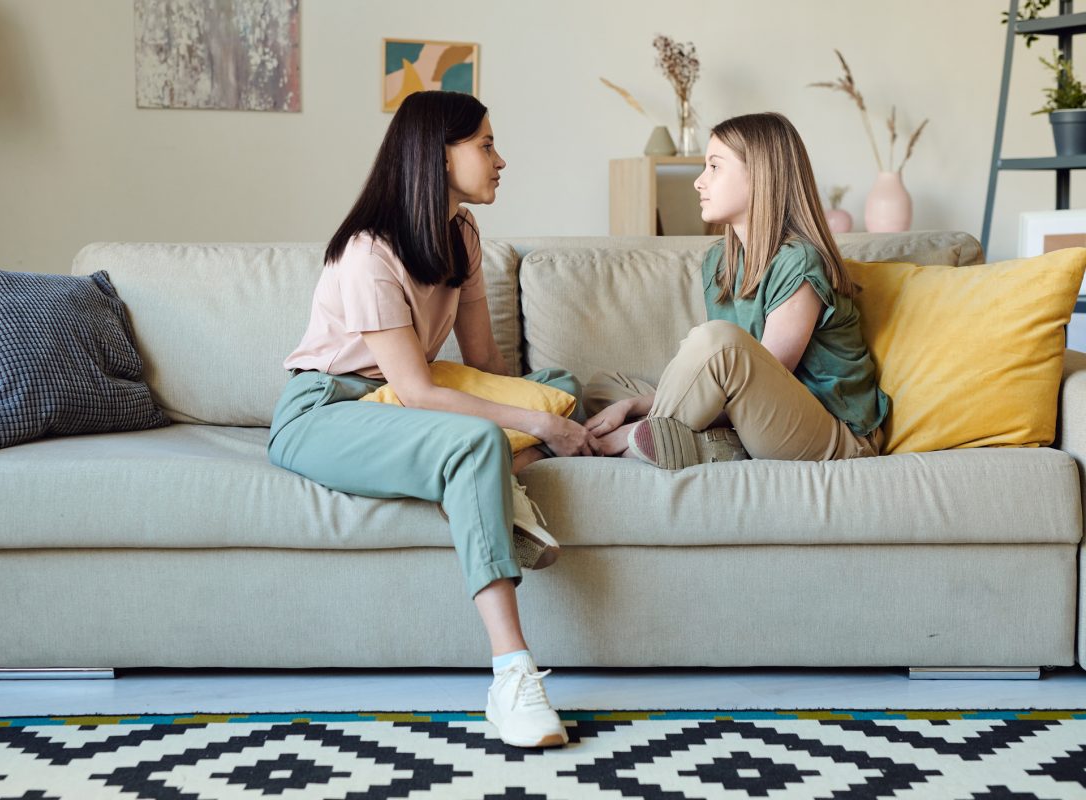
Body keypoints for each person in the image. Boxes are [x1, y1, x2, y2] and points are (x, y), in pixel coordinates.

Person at [267, 90, 598, 748]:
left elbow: (485, 361)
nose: (500, 160)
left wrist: (545, 408)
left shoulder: (462, 234)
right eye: (485, 145)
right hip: (330, 409)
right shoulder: (368, 252)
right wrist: (536, 428)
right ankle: (512, 674)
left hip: (410, 396)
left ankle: (499, 476)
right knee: (480, 439)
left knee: (558, 386)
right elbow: (415, 390)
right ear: (438, 157)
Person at [584, 112, 890, 467]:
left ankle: (652, 434)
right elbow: (730, 386)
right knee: (602, 388)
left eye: (714, 167)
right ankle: (706, 444)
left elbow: (763, 377)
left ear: (760, 177)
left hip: (834, 434)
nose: (699, 182)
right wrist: (629, 403)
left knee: (715, 342)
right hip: (758, 420)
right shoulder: (721, 260)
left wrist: (638, 417)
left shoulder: (800, 261)